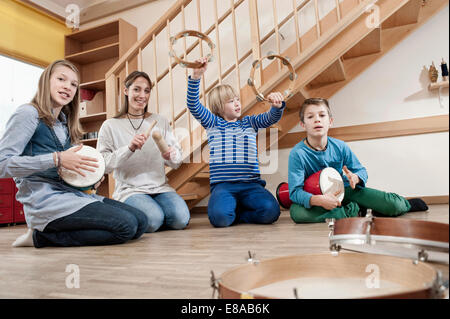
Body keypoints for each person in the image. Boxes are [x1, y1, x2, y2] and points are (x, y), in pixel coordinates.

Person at [0, 60, 148, 247]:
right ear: (46, 81)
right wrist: (57, 159)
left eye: (73, 84)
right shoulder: (28, 114)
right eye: (61, 79)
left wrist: (88, 179)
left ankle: (49, 230)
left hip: (71, 194)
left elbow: (69, 170)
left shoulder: (65, 122)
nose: (67, 87)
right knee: (126, 226)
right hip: (45, 201)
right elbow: (2, 165)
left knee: (141, 222)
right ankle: (39, 236)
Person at [288, 98, 428, 223]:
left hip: (345, 191)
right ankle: (355, 211)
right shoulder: (297, 154)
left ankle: (404, 204)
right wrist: (317, 200)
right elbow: (295, 192)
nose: (317, 120)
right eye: (310, 116)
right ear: (303, 124)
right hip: (317, 198)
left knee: (394, 206)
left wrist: (356, 178)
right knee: (297, 213)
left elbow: (361, 171)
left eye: (322, 115)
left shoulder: (340, 146)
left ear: (330, 122)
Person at [187, 57, 285, 227]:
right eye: (231, 101)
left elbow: (270, 118)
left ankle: (240, 215)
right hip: (223, 186)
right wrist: (196, 78)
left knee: (271, 211)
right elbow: (193, 104)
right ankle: (232, 211)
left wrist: (277, 107)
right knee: (220, 218)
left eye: (237, 99)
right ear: (218, 108)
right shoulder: (213, 123)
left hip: (251, 184)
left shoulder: (249, 123)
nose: (237, 104)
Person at [97, 71, 190, 233]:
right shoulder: (110, 125)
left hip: (160, 188)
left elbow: (176, 164)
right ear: (126, 91)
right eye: (137, 89)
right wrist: (129, 149)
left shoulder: (160, 121)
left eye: (147, 91)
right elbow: (103, 165)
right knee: (153, 220)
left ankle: (150, 214)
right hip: (130, 190)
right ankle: (142, 212)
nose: (142, 95)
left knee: (181, 219)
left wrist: (171, 155)